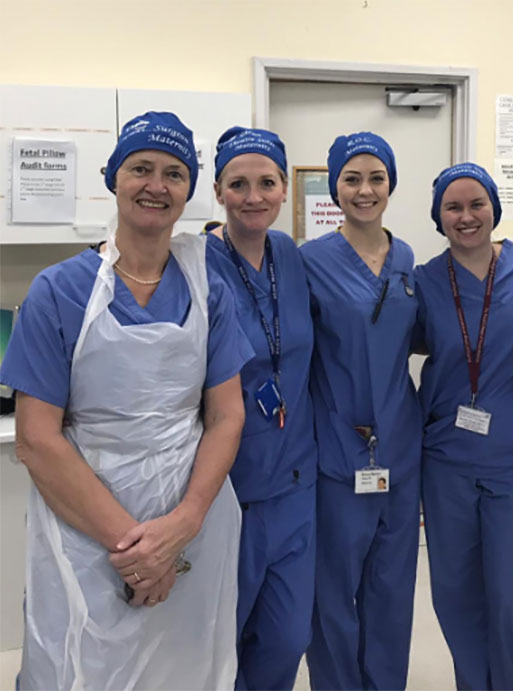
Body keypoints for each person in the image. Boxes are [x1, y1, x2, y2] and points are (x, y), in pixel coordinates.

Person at [0, 112, 252, 690]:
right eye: (141, 168)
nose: (156, 186)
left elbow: (226, 416)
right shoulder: (59, 291)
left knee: (185, 669)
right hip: (86, 526)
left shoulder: (208, 287)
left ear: (189, 190)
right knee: (78, 667)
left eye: (174, 174)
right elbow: (38, 439)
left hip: (192, 523)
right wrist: (137, 552)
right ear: (113, 177)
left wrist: (182, 526)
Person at [414, 163, 513, 690]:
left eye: (477, 204)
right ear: (439, 217)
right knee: (455, 591)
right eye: (453, 207)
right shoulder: (424, 281)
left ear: (495, 208)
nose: (466, 216)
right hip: (447, 458)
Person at [300, 131, 422, 690]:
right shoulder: (310, 261)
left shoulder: (407, 259)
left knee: (393, 587)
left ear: (391, 185)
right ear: (335, 188)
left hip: (400, 446)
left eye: (376, 177)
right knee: (333, 591)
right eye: (351, 179)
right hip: (337, 448)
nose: (365, 189)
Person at [203, 126, 317, 690]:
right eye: (238, 184)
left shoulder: (290, 256)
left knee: (287, 638)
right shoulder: (195, 261)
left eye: (267, 183)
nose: (254, 197)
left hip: (295, 484)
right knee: (220, 641)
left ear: (283, 189)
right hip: (227, 489)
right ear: (217, 191)